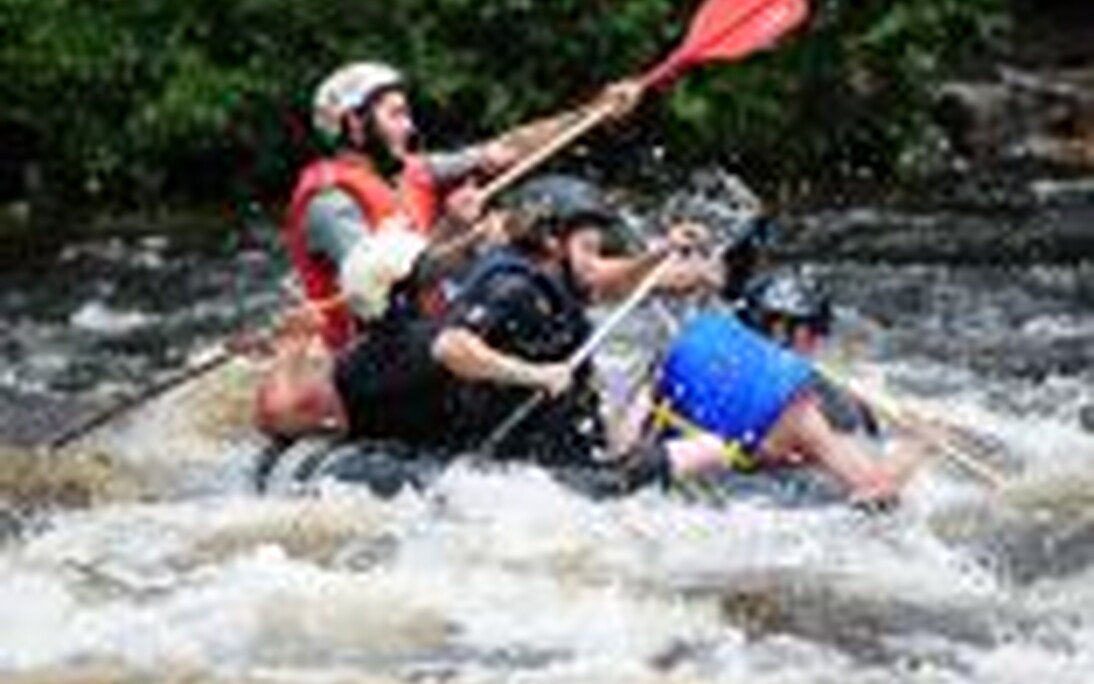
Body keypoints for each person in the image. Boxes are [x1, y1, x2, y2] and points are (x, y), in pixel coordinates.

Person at [283, 61, 645, 351]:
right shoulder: (330, 203)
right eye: (396, 115)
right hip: (369, 357)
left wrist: (593, 111)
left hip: (427, 334)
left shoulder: (413, 171)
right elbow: (387, 288)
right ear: (355, 124)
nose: (409, 127)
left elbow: (505, 150)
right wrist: (457, 230)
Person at [737, 269, 881, 438]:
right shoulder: (828, 400)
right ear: (779, 331)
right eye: (817, 329)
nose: (819, 340)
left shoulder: (721, 370)